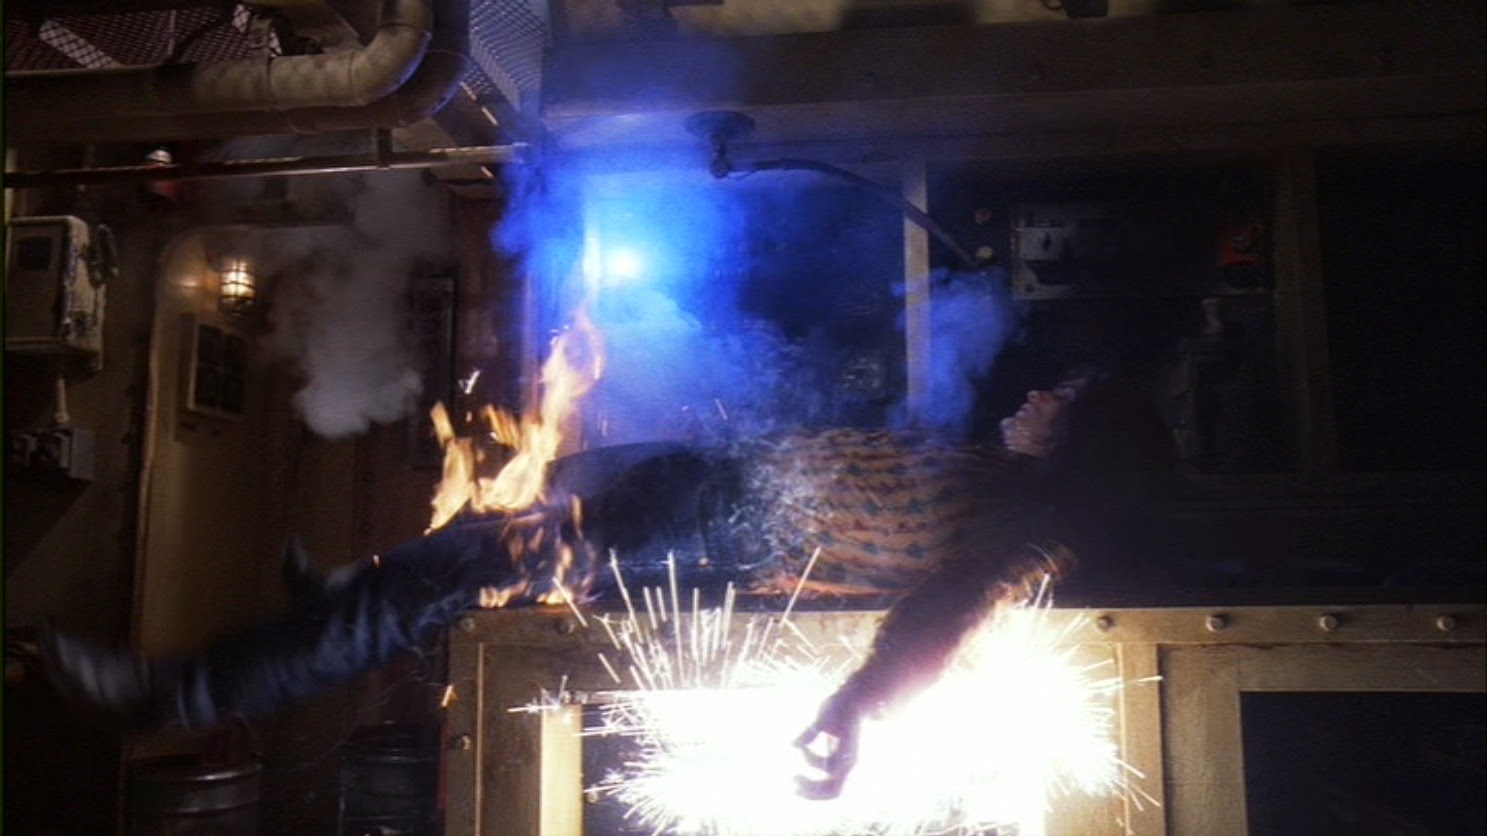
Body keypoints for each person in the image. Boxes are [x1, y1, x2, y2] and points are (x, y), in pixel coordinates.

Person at [41, 368, 1121, 798]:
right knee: (504, 520)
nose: (1037, 392)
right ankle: (350, 597)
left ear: (1085, 440)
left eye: (1062, 396)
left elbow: (943, 614)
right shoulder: (991, 469)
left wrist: (855, 703)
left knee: (475, 563)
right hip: (707, 482)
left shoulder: (1035, 530)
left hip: (718, 532)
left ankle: (184, 693)